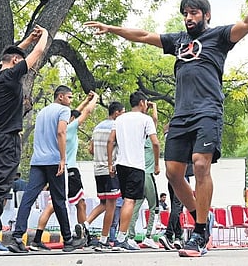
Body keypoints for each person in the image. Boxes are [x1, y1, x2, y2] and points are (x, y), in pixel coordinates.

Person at [85, 0, 248, 257]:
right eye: (185, 13)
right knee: (173, 173)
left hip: (208, 110)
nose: (188, 17)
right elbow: (144, 36)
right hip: (181, 115)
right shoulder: (179, 41)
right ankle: (200, 219)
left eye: (194, 13)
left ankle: (199, 232)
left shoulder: (218, 36)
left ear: (206, 15)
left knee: (201, 163)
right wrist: (111, 28)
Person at [0, 25, 48, 252]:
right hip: (7, 141)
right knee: (1, 189)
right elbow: (38, 53)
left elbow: (8, 55)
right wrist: (44, 36)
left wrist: (25, 41)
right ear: (15, 63)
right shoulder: (13, 75)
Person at [7, 85, 86, 253]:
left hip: (37, 160)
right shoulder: (63, 110)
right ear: (60, 97)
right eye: (69, 97)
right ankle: (68, 240)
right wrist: (63, 158)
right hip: (54, 161)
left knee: (27, 199)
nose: (71, 101)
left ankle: (17, 237)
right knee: (59, 201)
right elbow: (61, 133)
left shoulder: (42, 112)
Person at [31, 91, 99, 250]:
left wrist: (84, 100)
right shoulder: (70, 128)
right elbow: (86, 112)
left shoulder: (59, 128)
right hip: (70, 169)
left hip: (55, 167)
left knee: (62, 204)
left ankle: (38, 238)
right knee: (73, 204)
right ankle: (83, 236)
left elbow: (75, 112)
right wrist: (95, 99)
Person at [107, 91, 159, 251]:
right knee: (130, 201)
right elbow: (155, 143)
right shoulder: (146, 119)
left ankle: (121, 236)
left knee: (126, 200)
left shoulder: (120, 119)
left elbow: (111, 140)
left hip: (120, 164)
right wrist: (157, 164)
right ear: (142, 103)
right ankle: (122, 238)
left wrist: (110, 164)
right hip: (136, 165)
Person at [84, 101, 125, 251]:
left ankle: (85, 224)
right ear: (116, 113)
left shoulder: (98, 127)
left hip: (97, 170)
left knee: (103, 203)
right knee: (111, 207)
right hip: (110, 170)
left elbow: (90, 149)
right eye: (123, 112)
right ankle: (104, 240)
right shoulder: (116, 128)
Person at [128, 101, 161, 250]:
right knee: (155, 207)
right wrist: (153, 107)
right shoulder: (148, 136)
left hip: (138, 174)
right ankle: (148, 236)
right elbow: (154, 120)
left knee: (136, 205)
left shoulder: (135, 138)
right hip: (147, 174)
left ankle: (130, 236)